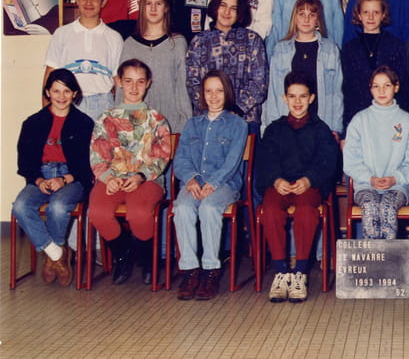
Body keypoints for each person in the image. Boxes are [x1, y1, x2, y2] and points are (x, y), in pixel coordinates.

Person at [256, 72, 339, 303]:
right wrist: (276, 180)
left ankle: (300, 272)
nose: (298, 101)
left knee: (305, 212)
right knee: (270, 211)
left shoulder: (321, 130)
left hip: (307, 186)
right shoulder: (274, 129)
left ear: (311, 98)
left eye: (303, 96)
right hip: (280, 185)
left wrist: (309, 180)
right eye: (292, 96)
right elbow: (266, 160)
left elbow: (327, 161)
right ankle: (281, 272)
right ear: (284, 98)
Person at [88, 59, 172, 285]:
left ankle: (147, 258)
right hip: (112, 178)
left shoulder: (157, 119)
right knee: (97, 212)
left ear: (148, 83)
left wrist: (140, 176)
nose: (134, 88)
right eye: (128, 81)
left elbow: (161, 155)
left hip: (147, 179)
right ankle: (123, 253)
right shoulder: (105, 118)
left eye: (140, 82)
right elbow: (97, 154)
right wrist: (108, 178)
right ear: (119, 82)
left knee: (139, 214)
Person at [12, 69, 94, 287]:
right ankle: (57, 253)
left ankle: (51, 258)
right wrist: (39, 180)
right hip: (41, 176)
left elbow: (88, 165)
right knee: (20, 206)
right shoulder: (33, 122)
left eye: (67, 91)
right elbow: (25, 162)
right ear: (48, 92)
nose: (61, 96)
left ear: (74, 93)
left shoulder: (84, 123)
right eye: (56, 91)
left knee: (57, 207)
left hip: (72, 178)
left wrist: (64, 179)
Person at [173, 70, 248, 301]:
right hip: (195, 183)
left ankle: (210, 270)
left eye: (219, 91)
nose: (214, 96)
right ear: (202, 94)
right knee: (182, 208)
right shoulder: (192, 124)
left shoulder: (238, 124)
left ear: (227, 93)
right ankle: (189, 270)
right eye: (208, 91)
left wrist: (213, 183)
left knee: (208, 208)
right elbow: (181, 158)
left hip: (224, 184)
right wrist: (191, 178)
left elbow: (232, 161)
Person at [343, 66, 409, 239]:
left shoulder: (407, 121)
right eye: (376, 86)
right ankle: (372, 255)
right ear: (370, 88)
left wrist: (396, 178)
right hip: (366, 185)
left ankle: (388, 255)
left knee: (387, 207)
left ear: (396, 87)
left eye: (387, 85)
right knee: (370, 206)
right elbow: (350, 161)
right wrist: (369, 178)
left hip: (397, 186)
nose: (381, 91)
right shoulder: (359, 120)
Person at [186, 0, 268, 134]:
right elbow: (193, 82)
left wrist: (236, 109)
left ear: (240, 12)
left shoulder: (252, 40)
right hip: (207, 120)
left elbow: (259, 84)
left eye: (233, 8)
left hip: (245, 120)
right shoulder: (199, 41)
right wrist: (214, 110)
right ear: (215, 6)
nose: (227, 12)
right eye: (223, 5)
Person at [43, 0, 123, 121]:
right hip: (69, 102)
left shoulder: (114, 37)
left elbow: (118, 80)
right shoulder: (62, 33)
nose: (88, 3)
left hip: (103, 104)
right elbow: (50, 75)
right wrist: (46, 115)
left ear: (104, 2)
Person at [262, 0, 343, 136]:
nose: (306, 19)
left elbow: (337, 93)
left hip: (321, 124)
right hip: (288, 126)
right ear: (295, 17)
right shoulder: (281, 49)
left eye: (311, 15)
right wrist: (270, 129)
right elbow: (274, 92)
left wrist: (335, 128)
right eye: (302, 14)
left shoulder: (331, 49)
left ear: (318, 20)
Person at [118, 0, 192, 133]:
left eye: (158, 3)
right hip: (136, 124)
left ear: (166, 7)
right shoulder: (130, 44)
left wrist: (184, 124)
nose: (153, 9)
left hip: (171, 123)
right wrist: (120, 121)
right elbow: (122, 88)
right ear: (142, 7)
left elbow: (183, 87)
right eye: (148, 3)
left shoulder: (177, 43)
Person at [342, 0, 409, 129]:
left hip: (390, 116)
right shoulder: (349, 49)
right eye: (366, 12)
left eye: (376, 12)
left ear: (383, 14)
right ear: (359, 15)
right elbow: (347, 90)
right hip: (359, 117)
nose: (370, 17)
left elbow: (402, 86)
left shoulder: (396, 45)